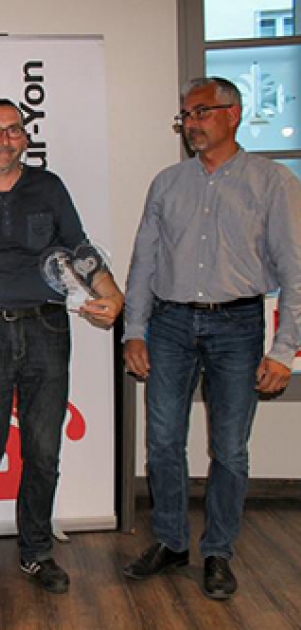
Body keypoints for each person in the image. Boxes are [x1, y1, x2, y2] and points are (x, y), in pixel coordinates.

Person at [0, 98, 123, 594]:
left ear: (25, 140)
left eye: (13, 130)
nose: (4, 139)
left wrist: (111, 291)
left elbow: (78, 248)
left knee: (43, 449)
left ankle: (36, 552)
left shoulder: (49, 187)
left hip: (48, 328)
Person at [122, 77, 301, 600]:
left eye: (200, 112)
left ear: (233, 114)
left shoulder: (273, 182)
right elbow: (144, 262)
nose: (191, 125)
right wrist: (135, 330)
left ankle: (218, 551)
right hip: (171, 325)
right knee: (162, 442)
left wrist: (284, 349)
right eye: (185, 116)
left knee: (229, 448)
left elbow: (295, 271)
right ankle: (172, 542)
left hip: (238, 327)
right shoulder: (167, 183)